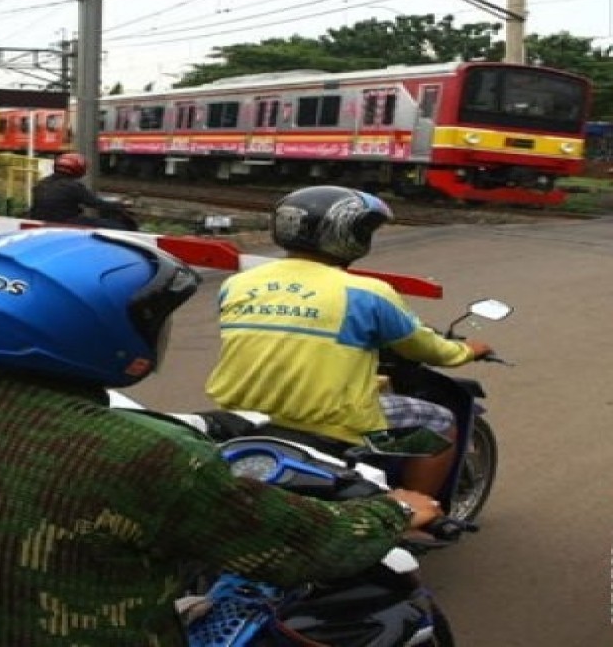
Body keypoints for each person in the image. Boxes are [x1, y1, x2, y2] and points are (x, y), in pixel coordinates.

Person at [0, 228, 443, 647]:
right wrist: (394, 510)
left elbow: (35, 445)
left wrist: (203, 424)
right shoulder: (152, 456)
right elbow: (302, 546)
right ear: (91, 327)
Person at [204, 185, 492, 495]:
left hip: (240, 418)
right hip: (331, 424)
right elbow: (431, 350)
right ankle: (412, 509)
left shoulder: (237, 284)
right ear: (347, 234)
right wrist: (467, 350)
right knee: (441, 422)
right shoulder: (367, 293)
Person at [28, 152, 131, 228]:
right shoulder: (73, 186)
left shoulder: (42, 183)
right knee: (116, 227)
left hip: (40, 220)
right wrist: (119, 206)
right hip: (66, 222)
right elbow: (95, 203)